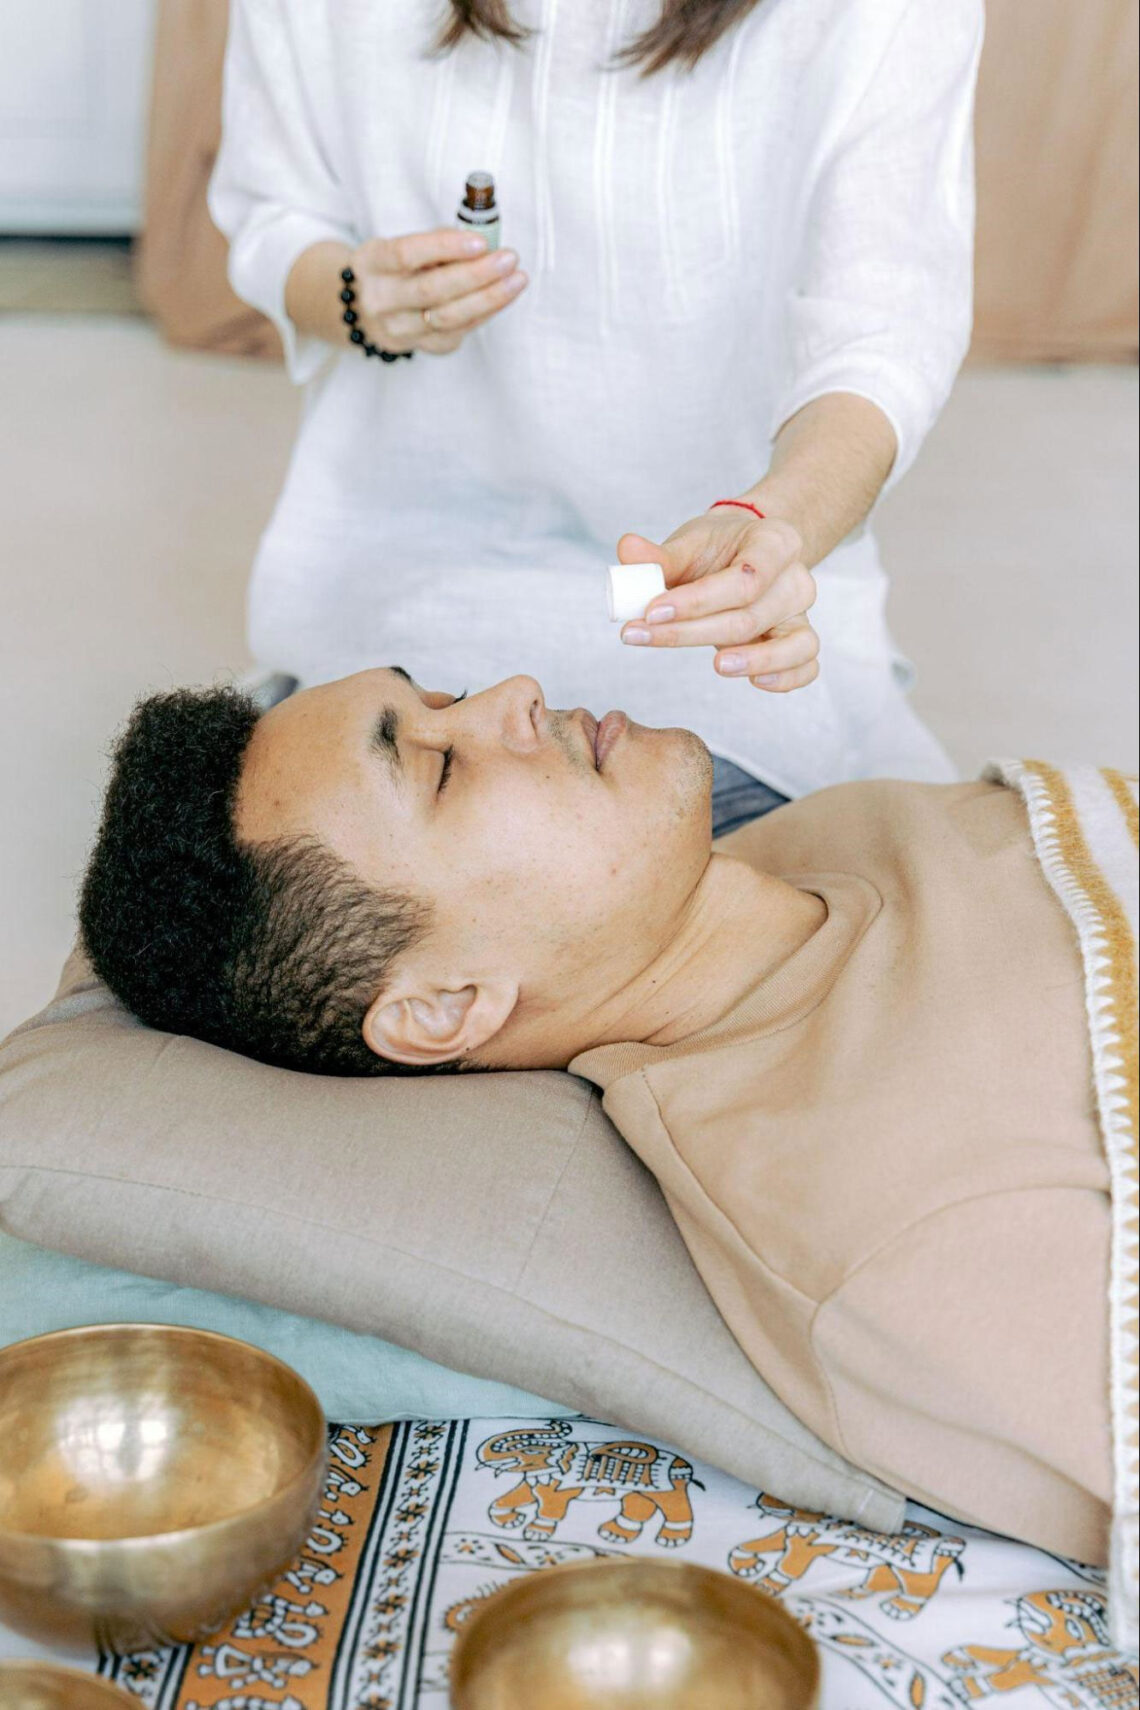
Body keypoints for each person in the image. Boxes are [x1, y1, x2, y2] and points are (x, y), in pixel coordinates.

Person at [80, 666, 1118, 1570]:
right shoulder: (880, 1217)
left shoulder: (832, 837)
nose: (514, 694)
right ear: (445, 1006)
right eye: (439, 767)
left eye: (444, 697)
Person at [207, 0, 984, 813]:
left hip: (707, 612)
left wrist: (771, 526)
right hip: (413, 576)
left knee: (730, 892)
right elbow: (273, 214)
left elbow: (881, 332)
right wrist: (360, 298)